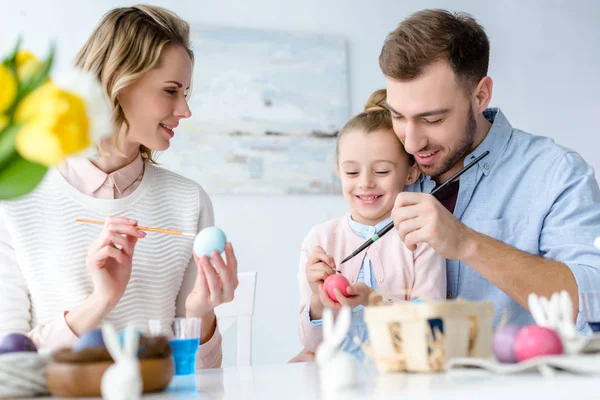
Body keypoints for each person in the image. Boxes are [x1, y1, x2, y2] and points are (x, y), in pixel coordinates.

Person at [0, 5, 238, 368]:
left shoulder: (189, 201)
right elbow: (8, 366)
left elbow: (202, 380)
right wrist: (101, 302)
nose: (185, 110)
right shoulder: (17, 198)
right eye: (172, 91)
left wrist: (200, 316)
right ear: (118, 81)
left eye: (185, 93)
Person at [380, 9, 600, 333]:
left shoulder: (557, 174)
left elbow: (591, 300)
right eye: (398, 116)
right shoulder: (390, 172)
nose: (412, 142)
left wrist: (467, 243)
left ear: (480, 95)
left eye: (433, 119)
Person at [295, 89, 446, 361]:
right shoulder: (319, 240)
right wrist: (318, 301)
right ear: (339, 171)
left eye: (382, 171)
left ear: (410, 172)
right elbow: (312, 344)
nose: (365, 183)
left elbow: (432, 328)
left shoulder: (421, 236)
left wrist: (374, 302)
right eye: (352, 172)